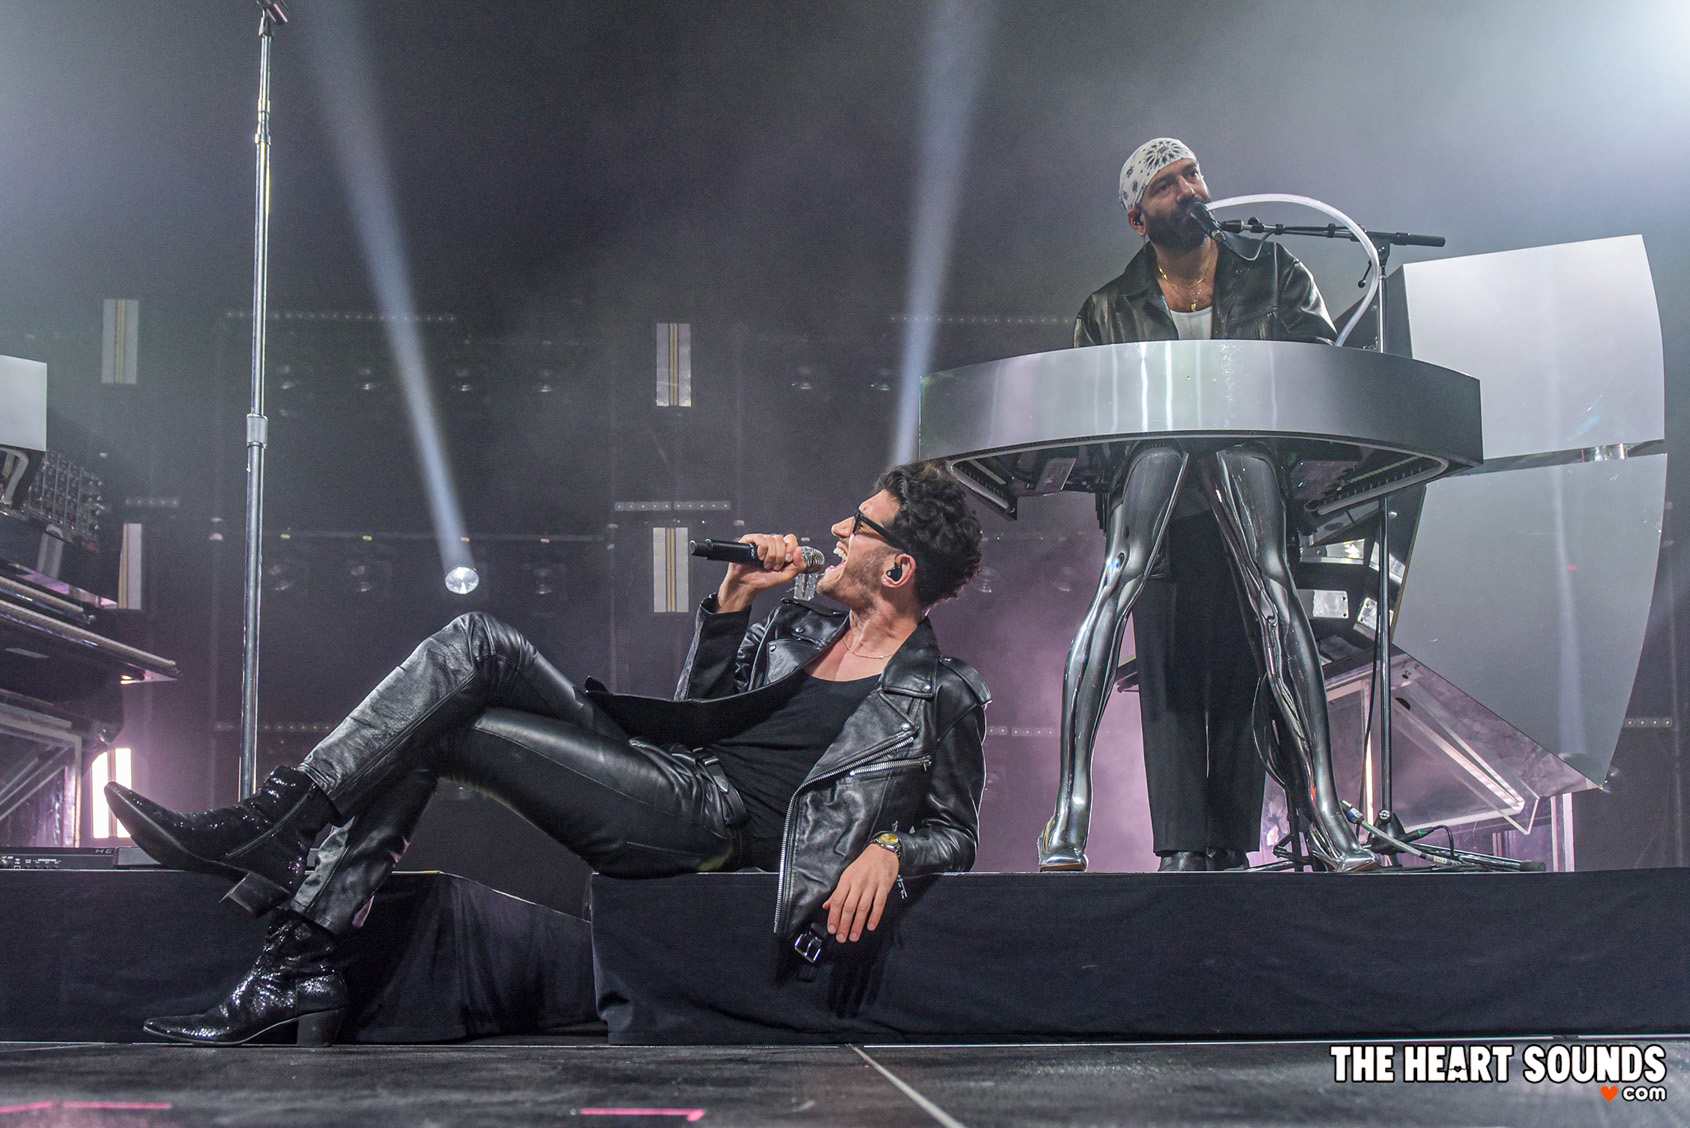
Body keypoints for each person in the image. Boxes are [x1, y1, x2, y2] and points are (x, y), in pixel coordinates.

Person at [108, 460, 989, 1045]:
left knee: (440, 725)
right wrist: (732, 604)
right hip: (670, 775)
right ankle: (289, 891)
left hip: (709, 826)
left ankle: (288, 910)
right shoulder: (799, 629)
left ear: (898, 569)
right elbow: (694, 721)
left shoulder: (940, 694)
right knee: (477, 643)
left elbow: (954, 831)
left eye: (862, 524)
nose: (838, 527)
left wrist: (888, 847)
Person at [1039, 137, 1373, 875]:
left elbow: (1319, 375)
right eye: (1167, 184)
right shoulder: (1106, 307)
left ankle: (1282, 826)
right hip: (1162, 513)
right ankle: (1152, 839)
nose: (1190, 189)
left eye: (1192, 173)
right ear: (1139, 219)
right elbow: (1093, 436)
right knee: (1169, 678)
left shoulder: (1273, 271)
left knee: (1256, 660)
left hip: (1249, 487)